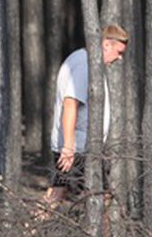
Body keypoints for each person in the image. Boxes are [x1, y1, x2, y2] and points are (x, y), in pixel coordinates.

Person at [43, 24, 129, 204]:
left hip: (77, 148)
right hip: (78, 151)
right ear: (106, 45)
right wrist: (68, 148)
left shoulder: (82, 60)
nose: (119, 58)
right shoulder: (84, 65)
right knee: (100, 199)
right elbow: (70, 104)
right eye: (119, 52)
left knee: (57, 195)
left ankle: (30, 229)